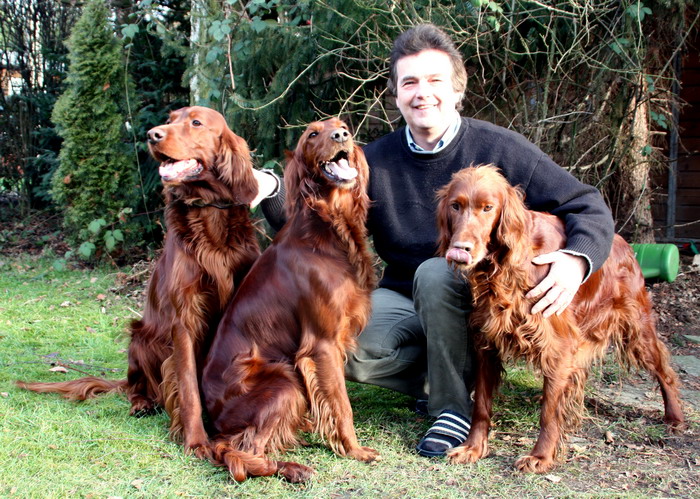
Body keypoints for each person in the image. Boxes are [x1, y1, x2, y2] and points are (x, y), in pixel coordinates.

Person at [254, 23, 615, 458]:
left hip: (483, 292)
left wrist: (577, 260)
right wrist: (270, 189)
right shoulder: (375, 160)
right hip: (404, 294)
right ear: (396, 95)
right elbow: (317, 222)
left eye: (434, 80)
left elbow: (586, 203)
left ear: (457, 89)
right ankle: (452, 374)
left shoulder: (502, 148)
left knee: (436, 271)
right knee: (349, 350)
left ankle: (451, 410)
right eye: (409, 82)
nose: (422, 93)